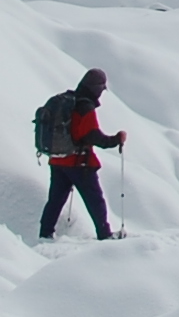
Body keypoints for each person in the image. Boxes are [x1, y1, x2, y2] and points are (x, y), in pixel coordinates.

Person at [41, 68, 126, 241]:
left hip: (57, 160)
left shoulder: (66, 101)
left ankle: (45, 234)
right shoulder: (85, 107)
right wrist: (116, 139)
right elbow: (92, 136)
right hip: (79, 163)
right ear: (96, 88)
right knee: (95, 200)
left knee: (55, 200)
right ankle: (104, 234)